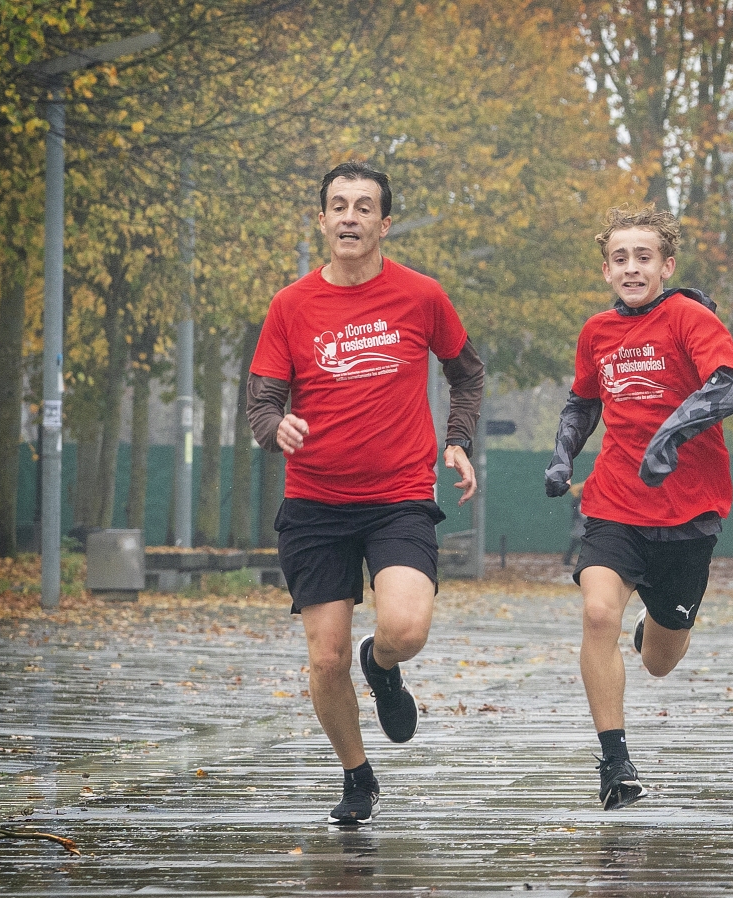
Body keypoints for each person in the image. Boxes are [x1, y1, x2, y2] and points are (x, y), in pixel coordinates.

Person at [246, 161, 484, 826]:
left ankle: (380, 667)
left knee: (405, 628)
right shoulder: (290, 306)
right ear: (322, 220)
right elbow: (262, 402)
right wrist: (275, 427)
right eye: (339, 205)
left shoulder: (421, 295)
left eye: (364, 206)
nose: (350, 216)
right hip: (315, 504)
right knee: (325, 658)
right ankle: (357, 776)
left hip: (397, 496)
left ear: (384, 223)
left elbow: (466, 374)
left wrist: (458, 440)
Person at [544, 205, 733, 810]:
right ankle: (615, 761)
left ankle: (658, 622)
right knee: (597, 614)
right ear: (606, 270)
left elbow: (727, 386)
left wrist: (669, 437)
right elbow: (583, 402)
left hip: (689, 511)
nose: (632, 268)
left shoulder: (689, 317)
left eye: (644, 257)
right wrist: (563, 456)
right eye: (620, 258)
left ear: (666, 266)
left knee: (659, 660)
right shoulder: (597, 332)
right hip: (616, 502)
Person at [563, 481, 587, 565]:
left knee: (577, 542)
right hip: (580, 523)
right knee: (576, 541)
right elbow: (582, 514)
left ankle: (568, 559)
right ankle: (567, 559)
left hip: (583, 524)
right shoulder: (577, 501)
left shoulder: (583, 501)